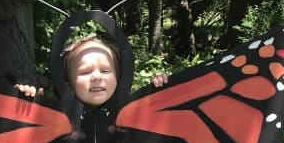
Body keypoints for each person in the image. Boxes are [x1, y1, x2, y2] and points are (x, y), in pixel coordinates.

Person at [15, 34, 169, 102]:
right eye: (85, 72)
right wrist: (25, 105)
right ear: (68, 86)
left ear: (118, 79)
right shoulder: (56, 116)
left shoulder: (133, 113)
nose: (96, 77)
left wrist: (163, 93)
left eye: (105, 70)